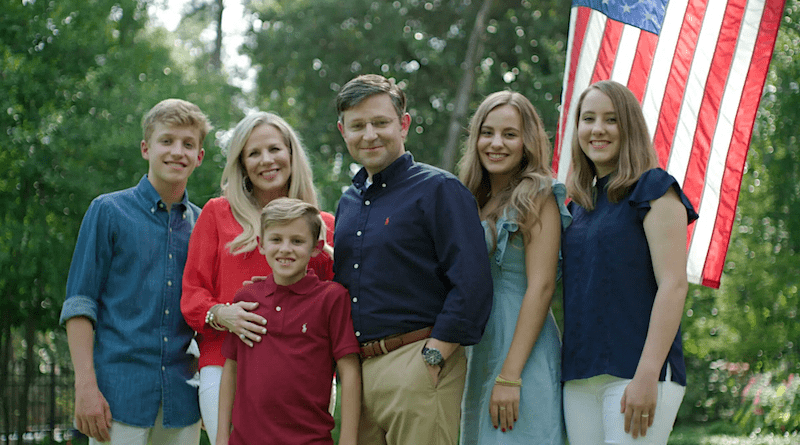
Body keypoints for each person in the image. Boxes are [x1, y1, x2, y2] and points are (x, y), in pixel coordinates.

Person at [332, 73, 493, 444]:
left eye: (380, 122)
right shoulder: (349, 203)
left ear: (403, 124)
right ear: (343, 131)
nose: (369, 134)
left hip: (417, 364)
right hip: (358, 373)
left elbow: (472, 283)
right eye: (358, 125)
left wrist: (434, 356)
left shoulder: (440, 189)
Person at [60, 98, 211, 444]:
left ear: (200, 156)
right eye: (167, 141)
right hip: (117, 397)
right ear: (146, 148)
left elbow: (206, 316)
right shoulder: (108, 211)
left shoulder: (203, 225)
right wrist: (85, 386)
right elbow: (80, 303)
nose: (178, 151)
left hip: (183, 399)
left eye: (189, 144)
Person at [180, 112, 335, 442]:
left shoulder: (324, 226)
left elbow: (336, 310)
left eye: (275, 149)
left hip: (303, 378)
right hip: (226, 367)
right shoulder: (217, 213)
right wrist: (223, 314)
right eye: (254, 153)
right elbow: (192, 294)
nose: (266, 160)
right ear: (242, 164)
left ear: (292, 154)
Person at [561, 80, 698, 444]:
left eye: (611, 119)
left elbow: (674, 284)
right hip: (579, 376)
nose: (597, 129)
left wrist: (647, 374)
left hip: (636, 372)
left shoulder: (654, 188)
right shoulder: (578, 207)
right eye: (588, 119)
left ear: (630, 128)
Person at [457, 91, 570, 443]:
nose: (496, 143)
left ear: (527, 142)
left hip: (522, 353)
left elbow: (542, 286)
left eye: (509, 134)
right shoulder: (471, 199)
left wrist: (510, 374)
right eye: (487, 132)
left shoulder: (538, 194)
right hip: (479, 350)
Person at [215, 198, 361, 445]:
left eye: (297, 241)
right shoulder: (247, 299)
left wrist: (348, 440)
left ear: (316, 247)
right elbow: (231, 370)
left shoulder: (332, 298)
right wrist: (221, 436)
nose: (285, 249)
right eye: (276, 239)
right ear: (261, 245)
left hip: (309, 440)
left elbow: (349, 370)